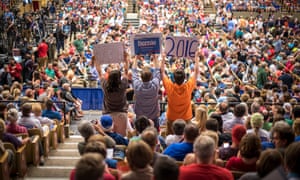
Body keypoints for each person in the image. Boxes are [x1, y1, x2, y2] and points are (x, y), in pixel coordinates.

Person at [161, 51, 200, 135]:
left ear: (173, 78)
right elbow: (196, 72)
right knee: (186, 137)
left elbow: (162, 73)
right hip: (186, 118)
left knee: (171, 137)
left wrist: (163, 58)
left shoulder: (169, 86)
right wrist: (196, 58)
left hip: (172, 118)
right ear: (184, 78)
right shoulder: (188, 86)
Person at [95, 53, 129, 136]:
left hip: (107, 114)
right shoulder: (123, 85)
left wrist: (97, 60)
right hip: (122, 114)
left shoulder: (105, 86)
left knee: (107, 137)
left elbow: (99, 72)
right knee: (121, 137)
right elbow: (126, 71)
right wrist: (126, 59)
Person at [132, 54, 161, 130]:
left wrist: (136, 58)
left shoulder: (137, 85)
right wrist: (155, 57)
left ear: (141, 77)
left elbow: (134, 72)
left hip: (140, 116)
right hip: (153, 116)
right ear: (151, 76)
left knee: (140, 134)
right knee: (154, 136)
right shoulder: (155, 85)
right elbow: (157, 70)